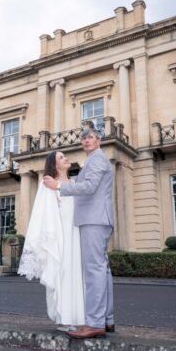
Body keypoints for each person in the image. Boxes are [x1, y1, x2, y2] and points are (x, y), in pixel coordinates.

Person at [43, 127, 115, 339]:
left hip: (94, 219)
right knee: (102, 270)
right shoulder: (95, 160)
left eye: (90, 137)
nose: (86, 141)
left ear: (99, 140)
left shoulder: (97, 159)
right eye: (83, 139)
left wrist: (58, 186)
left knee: (94, 271)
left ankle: (94, 323)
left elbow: (90, 187)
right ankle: (107, 320)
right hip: (98, 219)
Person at [18, 151, 85, 331]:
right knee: (61, 273)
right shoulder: (47, 183)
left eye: (65, 156)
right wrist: (51, 236)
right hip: (59, 235)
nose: (66, 158)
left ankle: (77, 316)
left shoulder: (74, 183)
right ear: (55, 165)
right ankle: (63, 317)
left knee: (75, 274)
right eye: (62, 158)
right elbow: (43, 212)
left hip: (76, 233)